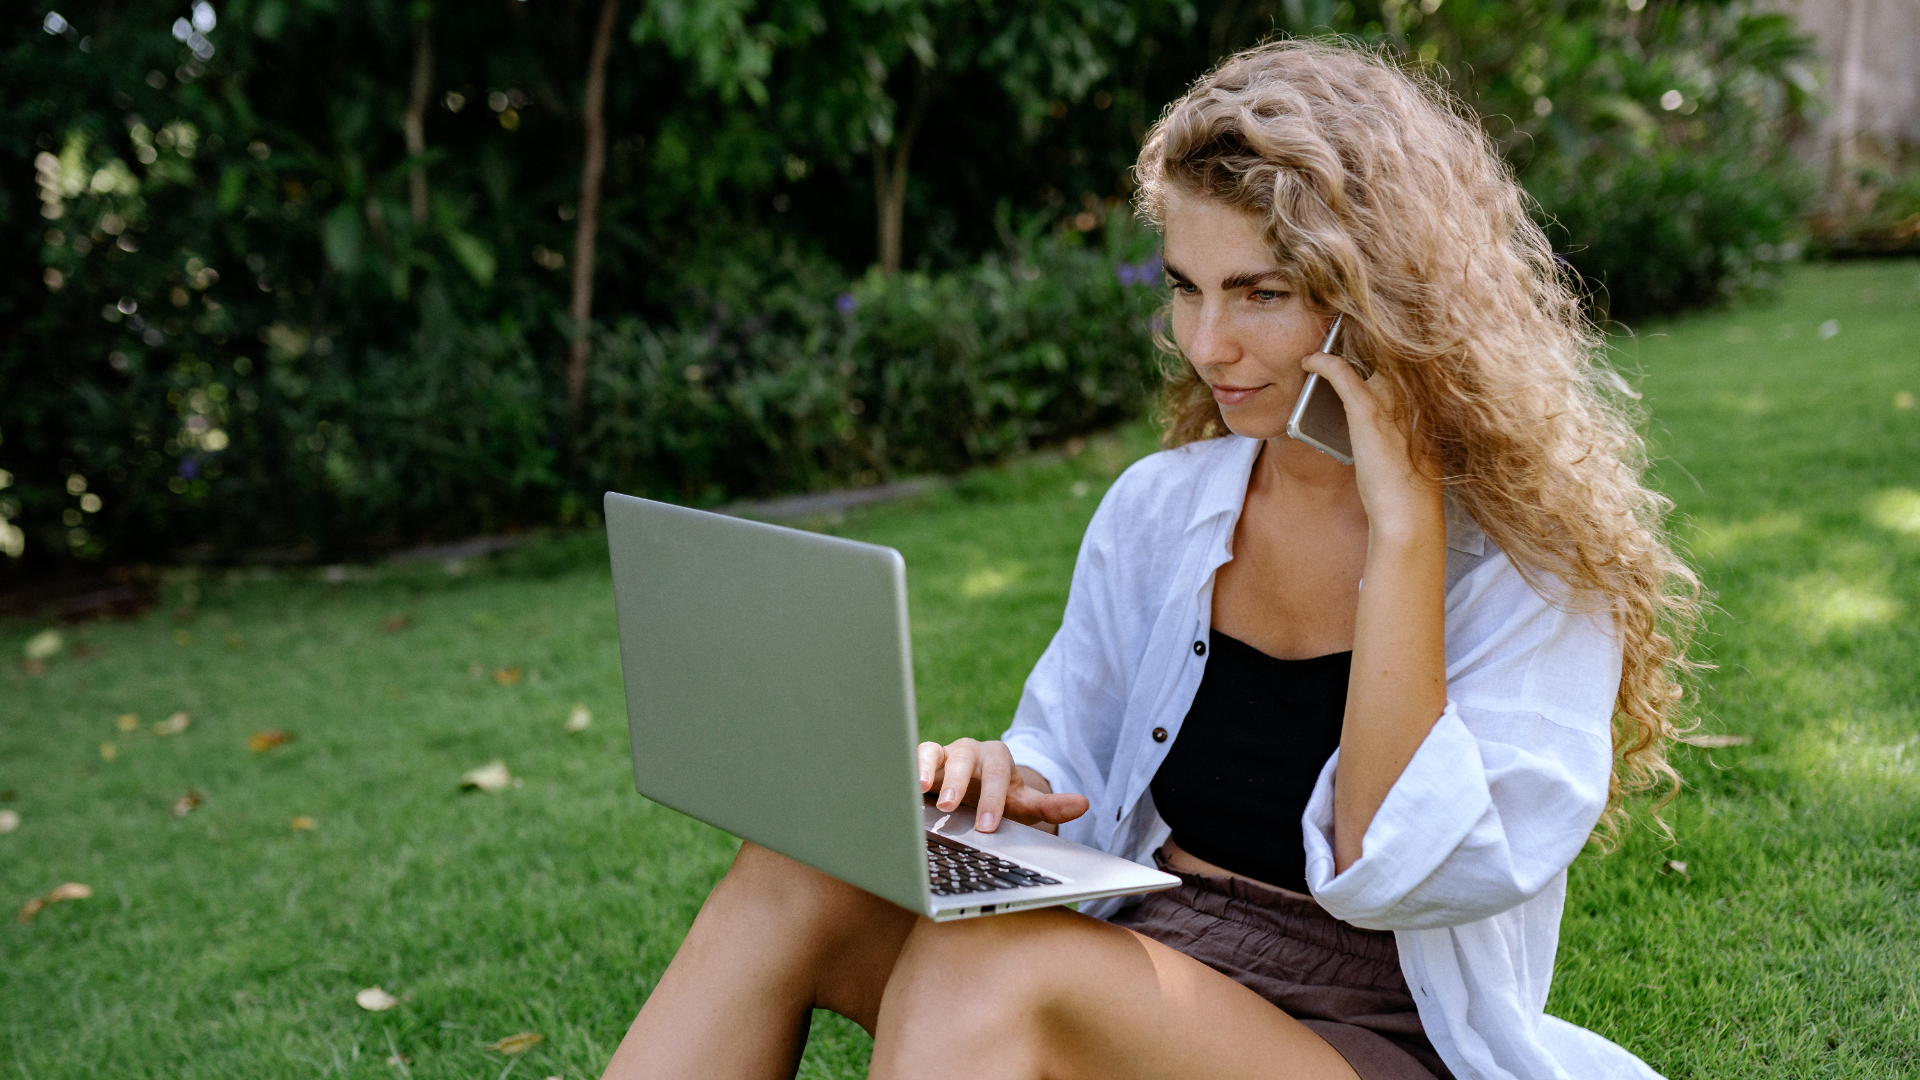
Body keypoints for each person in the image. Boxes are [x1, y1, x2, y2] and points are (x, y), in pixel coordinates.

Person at [601, 39, 1700, 1080]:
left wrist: (1405, 521)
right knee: (792, 875)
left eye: (1260, 294)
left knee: (997, 967)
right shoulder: (1162, 509)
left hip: (1372, 1037)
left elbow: (1390, 867)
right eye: (1184, 286)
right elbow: (1069, 758)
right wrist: (1007, 775)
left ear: (1384, 295)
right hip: (1148, 970)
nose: (1204, 343)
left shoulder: (1529, 567)